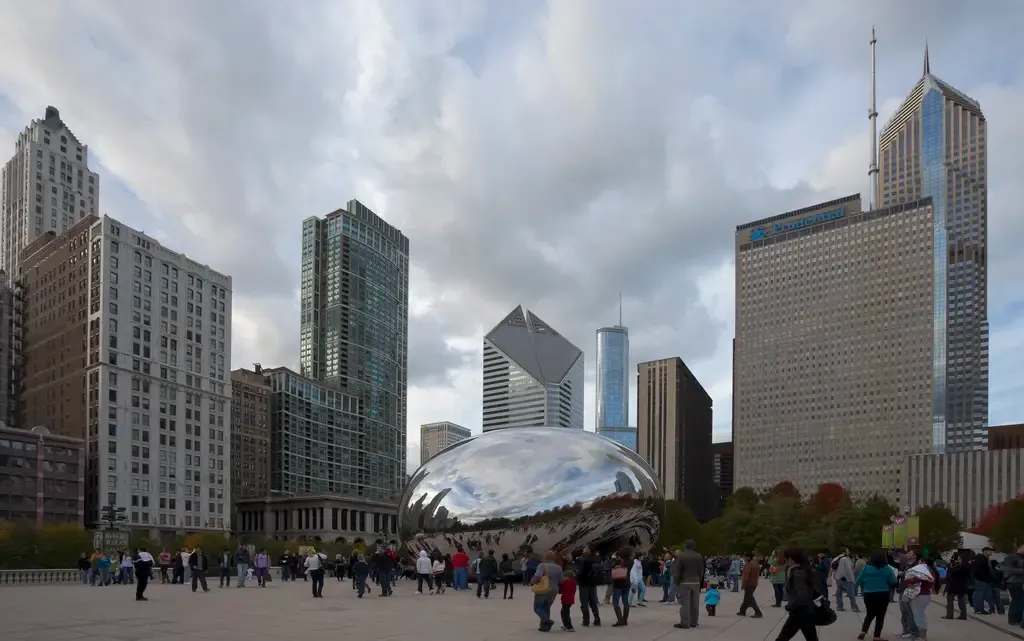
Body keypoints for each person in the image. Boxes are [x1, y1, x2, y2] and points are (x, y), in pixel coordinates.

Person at [775, 549, 819, 641]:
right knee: (812, 638)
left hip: (799, 610)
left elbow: (801, 594)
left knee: (783, 637)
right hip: (807, 609)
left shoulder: (797, 573)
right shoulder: (807, 570)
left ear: (791, 559)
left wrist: (792, 606)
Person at [856, 551, 897, 641]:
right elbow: (893, 581)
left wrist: (864, 588)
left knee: (870, 613)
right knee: (880, 615)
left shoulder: (866, 568)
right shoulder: (887, 569)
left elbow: (859, 580)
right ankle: (876, 636)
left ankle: (863, 631)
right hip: (883, 593)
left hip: (868, 593)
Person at [902, 554, 936, 641]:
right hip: (925, 595)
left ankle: (923, 636)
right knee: (920, 614)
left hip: (920, 595)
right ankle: (922, 635)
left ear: (923, 562)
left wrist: (908, 580)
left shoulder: (923, 571)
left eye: (920, 561)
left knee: (918, 615)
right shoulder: (930, 571)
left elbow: (910, 580)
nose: (918, 563)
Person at [673, 540, 705, 630]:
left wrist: (677, 582)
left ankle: (685, 622)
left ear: (685, 546)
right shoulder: (698, 556)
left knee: (685, 603)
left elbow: (678, 571)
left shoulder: (682, 556)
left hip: (684, 582)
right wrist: (700, 581)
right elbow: (701, 570)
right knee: (695, 603)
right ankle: (694, 622)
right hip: (696, 582)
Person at [531, 550, 564, 632]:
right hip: (554, 590)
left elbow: (538, 576)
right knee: (546, 607)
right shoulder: (559, 567)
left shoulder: (542, 565)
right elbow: (561, 581)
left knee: (537, 608)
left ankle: (548, 621)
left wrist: (532, 581)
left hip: (544, 589)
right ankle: (544, 626)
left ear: (545, 557)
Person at [575, 546, 601, 626]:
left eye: (585, 548)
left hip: (584, 583)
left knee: (584, 603)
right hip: (593, 583)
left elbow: (581, 572)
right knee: (593, 602)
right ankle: (597, 619)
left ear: (589, 550)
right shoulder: (597, 558)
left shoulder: (584, 559)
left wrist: (576, 575)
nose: (583, 549)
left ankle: (586, 620)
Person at [943, 550, 971, 621]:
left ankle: (950, 614)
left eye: (959, 559)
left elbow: (953, 573)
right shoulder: (967, 566)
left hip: (954, 585)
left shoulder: (961, 567)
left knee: (950, 600)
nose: (958, 560)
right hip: (962, 585)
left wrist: (950, 567)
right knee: (961, 600)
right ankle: (963, 615)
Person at [832, 547, 860, 613]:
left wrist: (836, 577)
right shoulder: (845, 559)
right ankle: (854, 607)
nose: (848, 552)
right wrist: (852, 579)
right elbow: (848, 570)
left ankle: (839, 606)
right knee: (851, 594)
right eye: (847, 551)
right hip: (846, 579)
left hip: (838, 579)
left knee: (839, 593)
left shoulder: (835, 559)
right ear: (844, 552)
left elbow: (833, 568)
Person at [1003, 544, 1024, 626]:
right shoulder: (1012, 557)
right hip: (1014, 582)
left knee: (1019, 601)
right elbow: (1007, 569)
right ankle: (1013, 619)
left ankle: (1017, 619)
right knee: (1016, 601)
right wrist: (1022, 571)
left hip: (1017, 582)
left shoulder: (1019, 558)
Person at [738, 552, 764, 618]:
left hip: (749, 583)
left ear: (748, 557)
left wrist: (743, 584)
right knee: (747, 597)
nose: (743, 558)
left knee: (750, 598)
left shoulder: (748, 565)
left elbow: (746, 576)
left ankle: (758, 612)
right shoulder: (755, 563)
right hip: (754, 582)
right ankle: (742, 611)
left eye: (744, 557)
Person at [609, 556, 631, 627]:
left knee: (615, 602)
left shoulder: (617, 561)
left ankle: (620, 619)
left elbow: (611, 567)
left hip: (618, 584)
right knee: (625, 601)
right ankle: (625, 620)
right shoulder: (630, 562)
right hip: (627, 584)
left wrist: (613, 559)